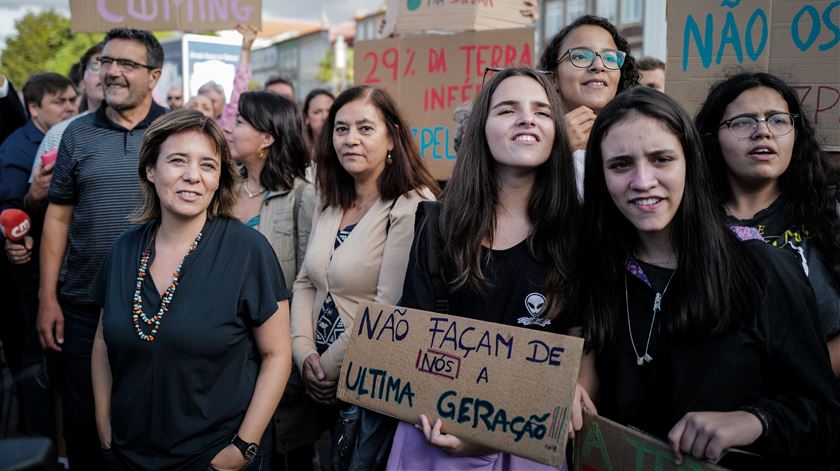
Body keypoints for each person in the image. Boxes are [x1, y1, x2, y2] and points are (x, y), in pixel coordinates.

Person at [568, 86, 840, 468]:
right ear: (600, 176)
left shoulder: (762, 269)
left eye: (661, 159)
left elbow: (824, 417)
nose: (643, 180)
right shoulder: (595, 271)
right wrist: (570, 393)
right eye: (621, 164)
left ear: (689, 163)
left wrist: (755, 421)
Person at [386, 66, 579, 471]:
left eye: (543, 112)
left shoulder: (580, 233)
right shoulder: (438, 225)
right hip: (436, 437)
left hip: (531, 445)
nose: (527, 118)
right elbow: (415, 340)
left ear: (557, 133)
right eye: (507, 109)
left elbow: (584, 347)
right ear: (481, 128)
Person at [90, 109, 291, 470]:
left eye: (208, 165)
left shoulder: (249, 251)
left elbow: (277, 356)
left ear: (219, 179)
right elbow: (104, 340)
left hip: (212, 457)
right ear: (151, 169)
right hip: (126, 454)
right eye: (178, 161)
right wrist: (104, 424)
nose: (192, 176)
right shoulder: (123, 249)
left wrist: (243, 448)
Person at [37, 27, 166, 470]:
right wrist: (47, 296)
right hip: (80, 306)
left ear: (154, 76)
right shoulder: (76, 135)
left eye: (126, 64)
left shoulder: (175, 131)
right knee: (83, 424)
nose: (111, 72)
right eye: (106, 62)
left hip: (158, 306)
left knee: (150, 420)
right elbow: (57, 217)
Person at [291, 85, 439, 469]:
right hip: (315, 379)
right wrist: (304, 352)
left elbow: (390, 305)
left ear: (391, 137)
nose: (350, 140)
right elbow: (306, 281)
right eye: (341, 129)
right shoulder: (330, 199)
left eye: (364, 128)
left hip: (368, 383)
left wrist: (328, 367)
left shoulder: (412, 203)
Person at [695, 72, 840, 377]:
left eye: (777, 120)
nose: (763, 132)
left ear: (796, 132)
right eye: (743, 121)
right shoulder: (689, 222)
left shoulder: (830, 211)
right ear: (713, 137)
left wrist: (795, 383)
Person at [538, 14, 639, 193]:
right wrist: (557, 149)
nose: (598, 66)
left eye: (610, 58)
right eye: (581, 56)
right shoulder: (530, 134)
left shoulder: (639, 139)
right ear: (553, 77)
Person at [228, 91, 315, 291]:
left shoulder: (302, 196)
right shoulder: (224, 189)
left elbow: (306, 280)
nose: (229, 128)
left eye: (239, 122)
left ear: (266, 138)